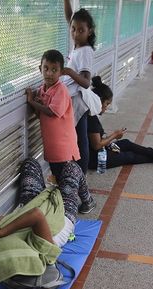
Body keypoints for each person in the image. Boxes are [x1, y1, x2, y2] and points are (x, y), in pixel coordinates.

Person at [26, 49, 95, 214]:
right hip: (53, 146)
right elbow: (41, 113)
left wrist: (30, 101)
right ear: (40, 68)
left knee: (66, 178)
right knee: (73, 173)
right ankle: (88, 200)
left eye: (54, 70)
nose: (49, 73)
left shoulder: (61, 90)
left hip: (63, 146)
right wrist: (34, 100)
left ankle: (65, 211)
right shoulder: (43, 89)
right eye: (46, 68)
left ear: (61, 72)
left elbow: (50, 111)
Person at [0, 158, 90, 251]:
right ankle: (88, 200)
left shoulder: (8, 245)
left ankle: (52, 187)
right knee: (71, 168)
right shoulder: (45, 250)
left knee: (30, 163)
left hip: (31, 206)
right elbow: (36, 215)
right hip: (63, 213)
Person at [87, 77, 153, 170]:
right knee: (129, 156)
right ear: (99, 100)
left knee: (126, 143)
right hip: (97, 160)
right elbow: (97, 145)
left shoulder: (91, 115)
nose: (106, 108)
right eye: (106, 104)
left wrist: (111, 138)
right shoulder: (91, 119)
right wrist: (115, 135)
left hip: (100, 151)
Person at [62, 0, 96, 173]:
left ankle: (81, 175)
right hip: (73, 99)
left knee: (80, 139)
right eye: (73, 29)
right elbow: (70, 18)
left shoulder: (85, 51)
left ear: (89, 31)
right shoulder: (78, 45)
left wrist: (68, 71)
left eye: (81, 30)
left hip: (78, 101)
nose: (75, 33)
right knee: (76, 137)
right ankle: (77, 172)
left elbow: (86, 81)